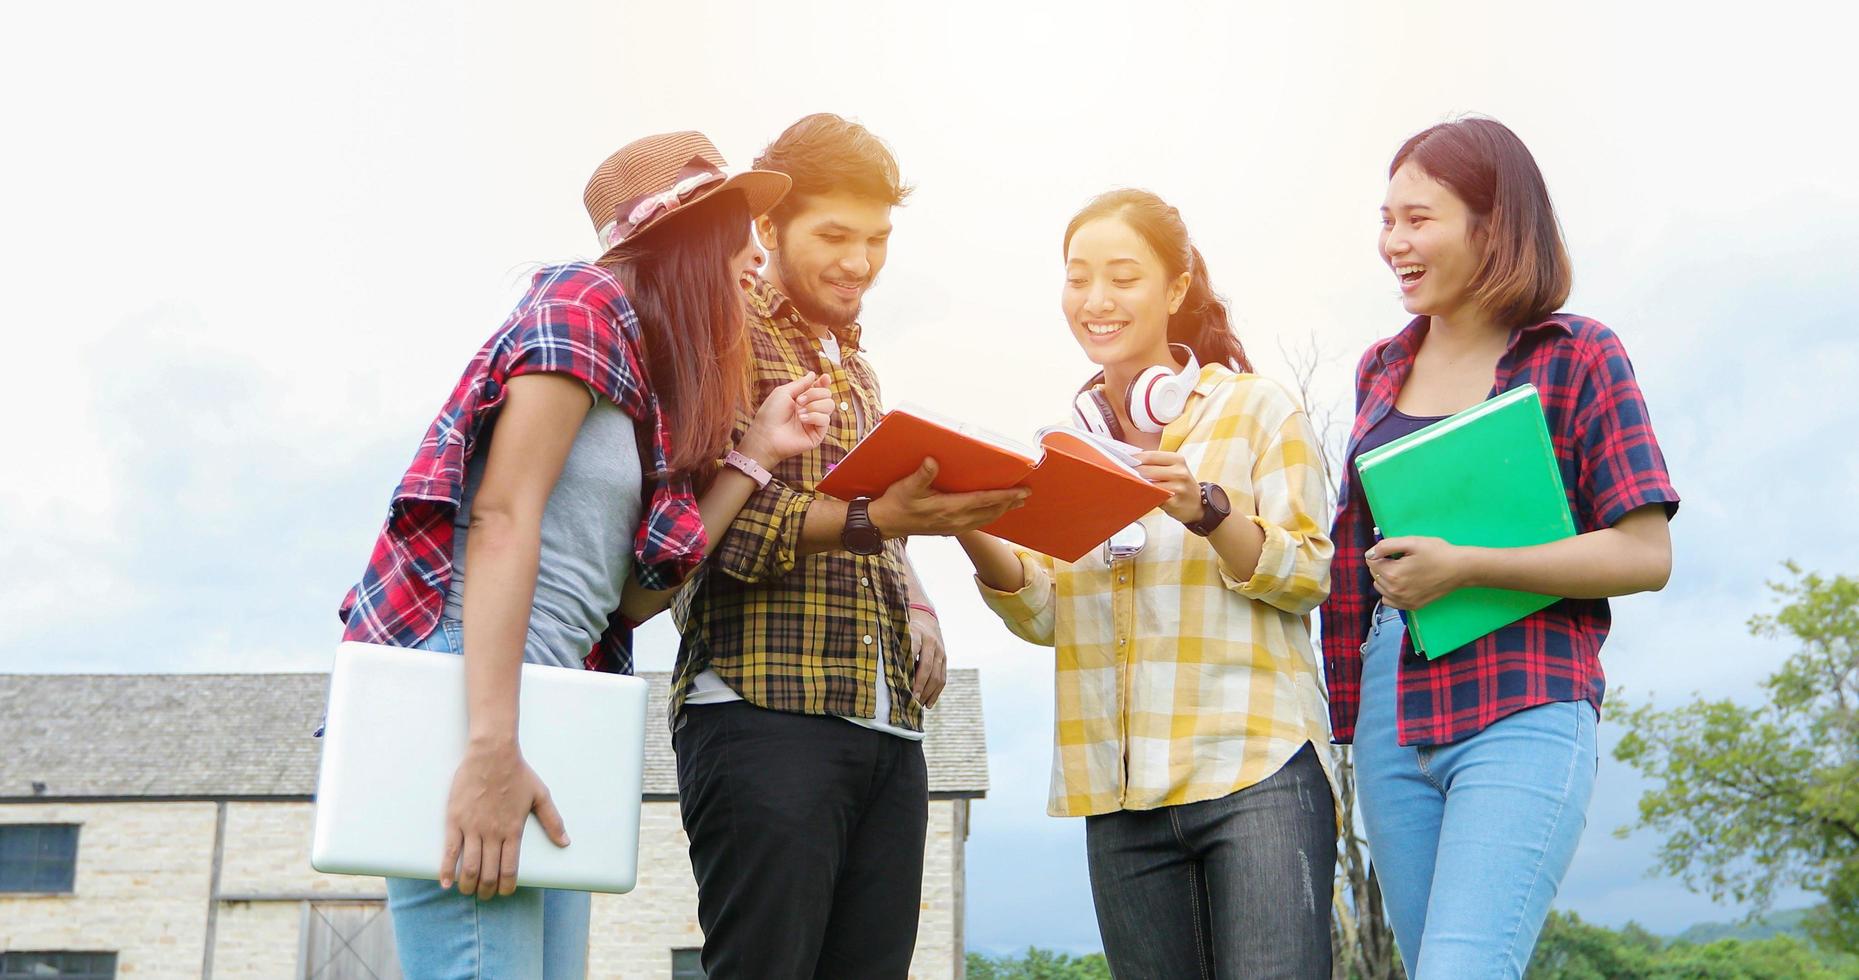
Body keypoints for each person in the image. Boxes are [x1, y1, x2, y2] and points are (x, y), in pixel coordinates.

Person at [337, 131, 833, 979]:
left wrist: (753, 456)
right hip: (474, 686)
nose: (759, 253)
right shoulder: (583, 301)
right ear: (687, 238)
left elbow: (633, 601)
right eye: (742, 229)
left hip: (554, 691)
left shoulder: (647, 366)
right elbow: (500, 516)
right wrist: (490, 748)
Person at [663, 113, 1025, 979]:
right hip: (763, 712)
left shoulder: (855, 365)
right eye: (834, 235)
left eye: (877, 238)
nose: (859, 261)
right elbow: (704, 538)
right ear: (768, 227)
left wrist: (918, 601)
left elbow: (871, 514)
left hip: (885, 722)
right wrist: (877, 523)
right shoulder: (717, 334)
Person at [1321, 117, 1680, 978]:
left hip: (1523, 693)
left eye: (1418, 219)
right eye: (1385, 220)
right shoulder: (1380, 367)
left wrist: (1470, 565)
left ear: (1492, 223)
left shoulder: (1577, 354)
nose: (1392, 243)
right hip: (1391, 705)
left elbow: (1644, 553)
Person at [960, 188, 1339, 979]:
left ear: (1174, 289)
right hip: (1120, 799)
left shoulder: (1256, 409)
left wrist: (1204, 509)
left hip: (1254, 775)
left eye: (1122, 277)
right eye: (1077, 278)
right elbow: (1041, 615)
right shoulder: (1067, 451)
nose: (1095, 300)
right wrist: (963, 522)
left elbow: (1307, 573)